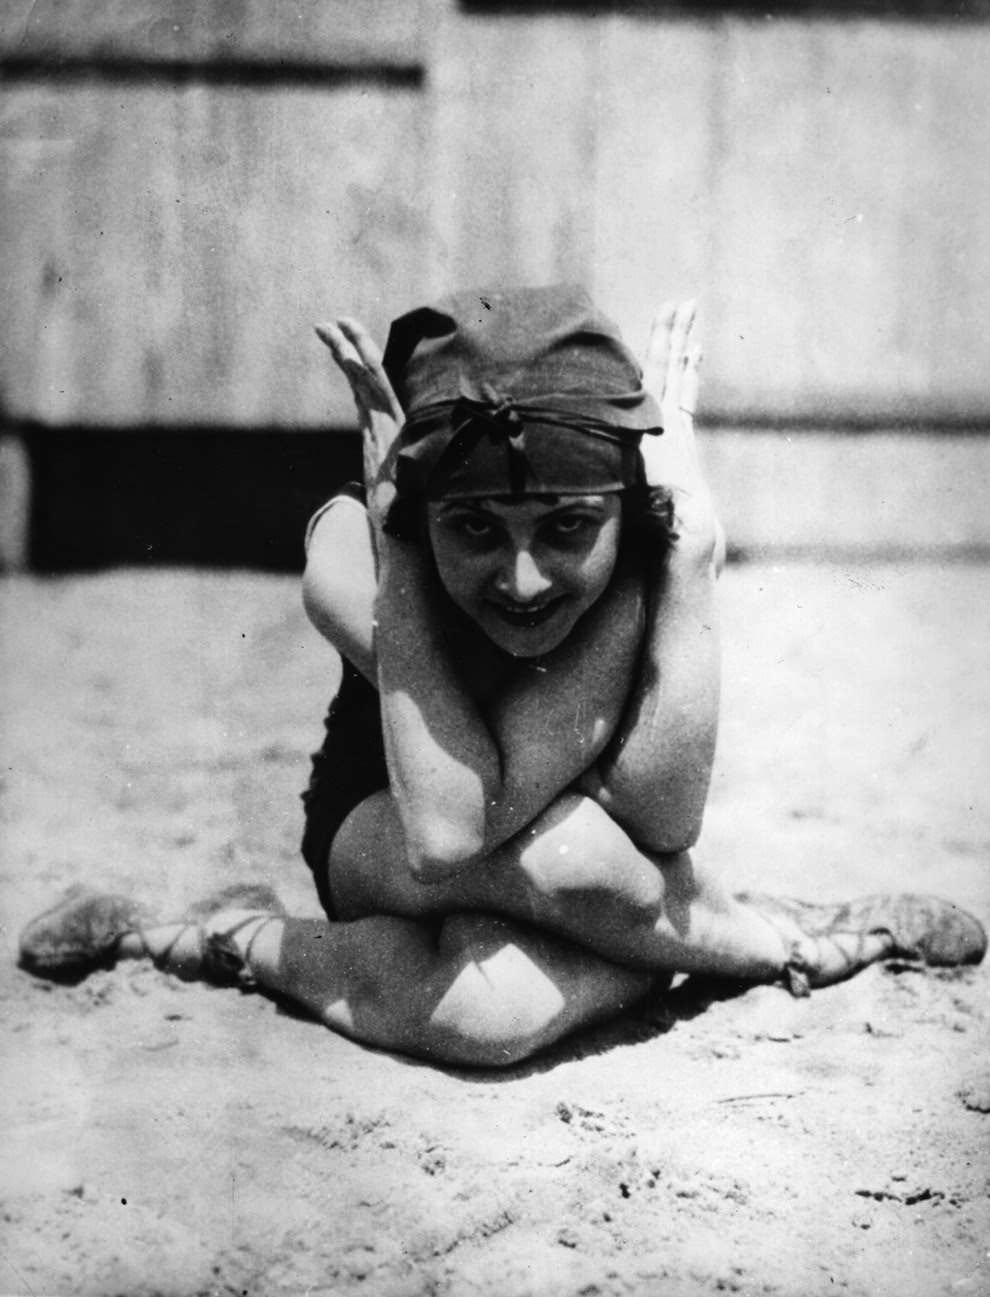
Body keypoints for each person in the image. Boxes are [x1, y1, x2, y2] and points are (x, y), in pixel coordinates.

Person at [19, 286, 986, 1068]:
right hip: (386, 829)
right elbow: (446, 831)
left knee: (492, 1010)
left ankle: (214, 934)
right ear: (417, 501)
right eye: (472, 528)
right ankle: (777, 944)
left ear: (623, 502)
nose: (522, 580)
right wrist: (404, 572)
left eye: (568, 527)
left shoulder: (650, 546)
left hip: (598, 842)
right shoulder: (353, 554)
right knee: (569, 862)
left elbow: (661, 817)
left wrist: (691, 561)